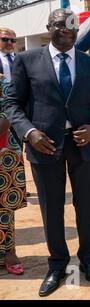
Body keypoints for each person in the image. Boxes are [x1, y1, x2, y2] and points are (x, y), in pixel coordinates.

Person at [5, 9, 90, 297]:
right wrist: (30, 132)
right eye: (60, 27)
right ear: (48, 27)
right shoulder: (26, 60)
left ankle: (88, 260)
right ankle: (57, 266)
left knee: (86, 207)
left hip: (83, 146)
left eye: (72, 28)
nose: (67, 32)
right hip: (45, 146)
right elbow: (13, 104)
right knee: (51, 209)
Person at [0, 77, 26, 276]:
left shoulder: (3, 84)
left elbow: (10, 114)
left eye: (12, 41)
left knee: (4, 209)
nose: (9, 42)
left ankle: (9, 252)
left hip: (4, 154)